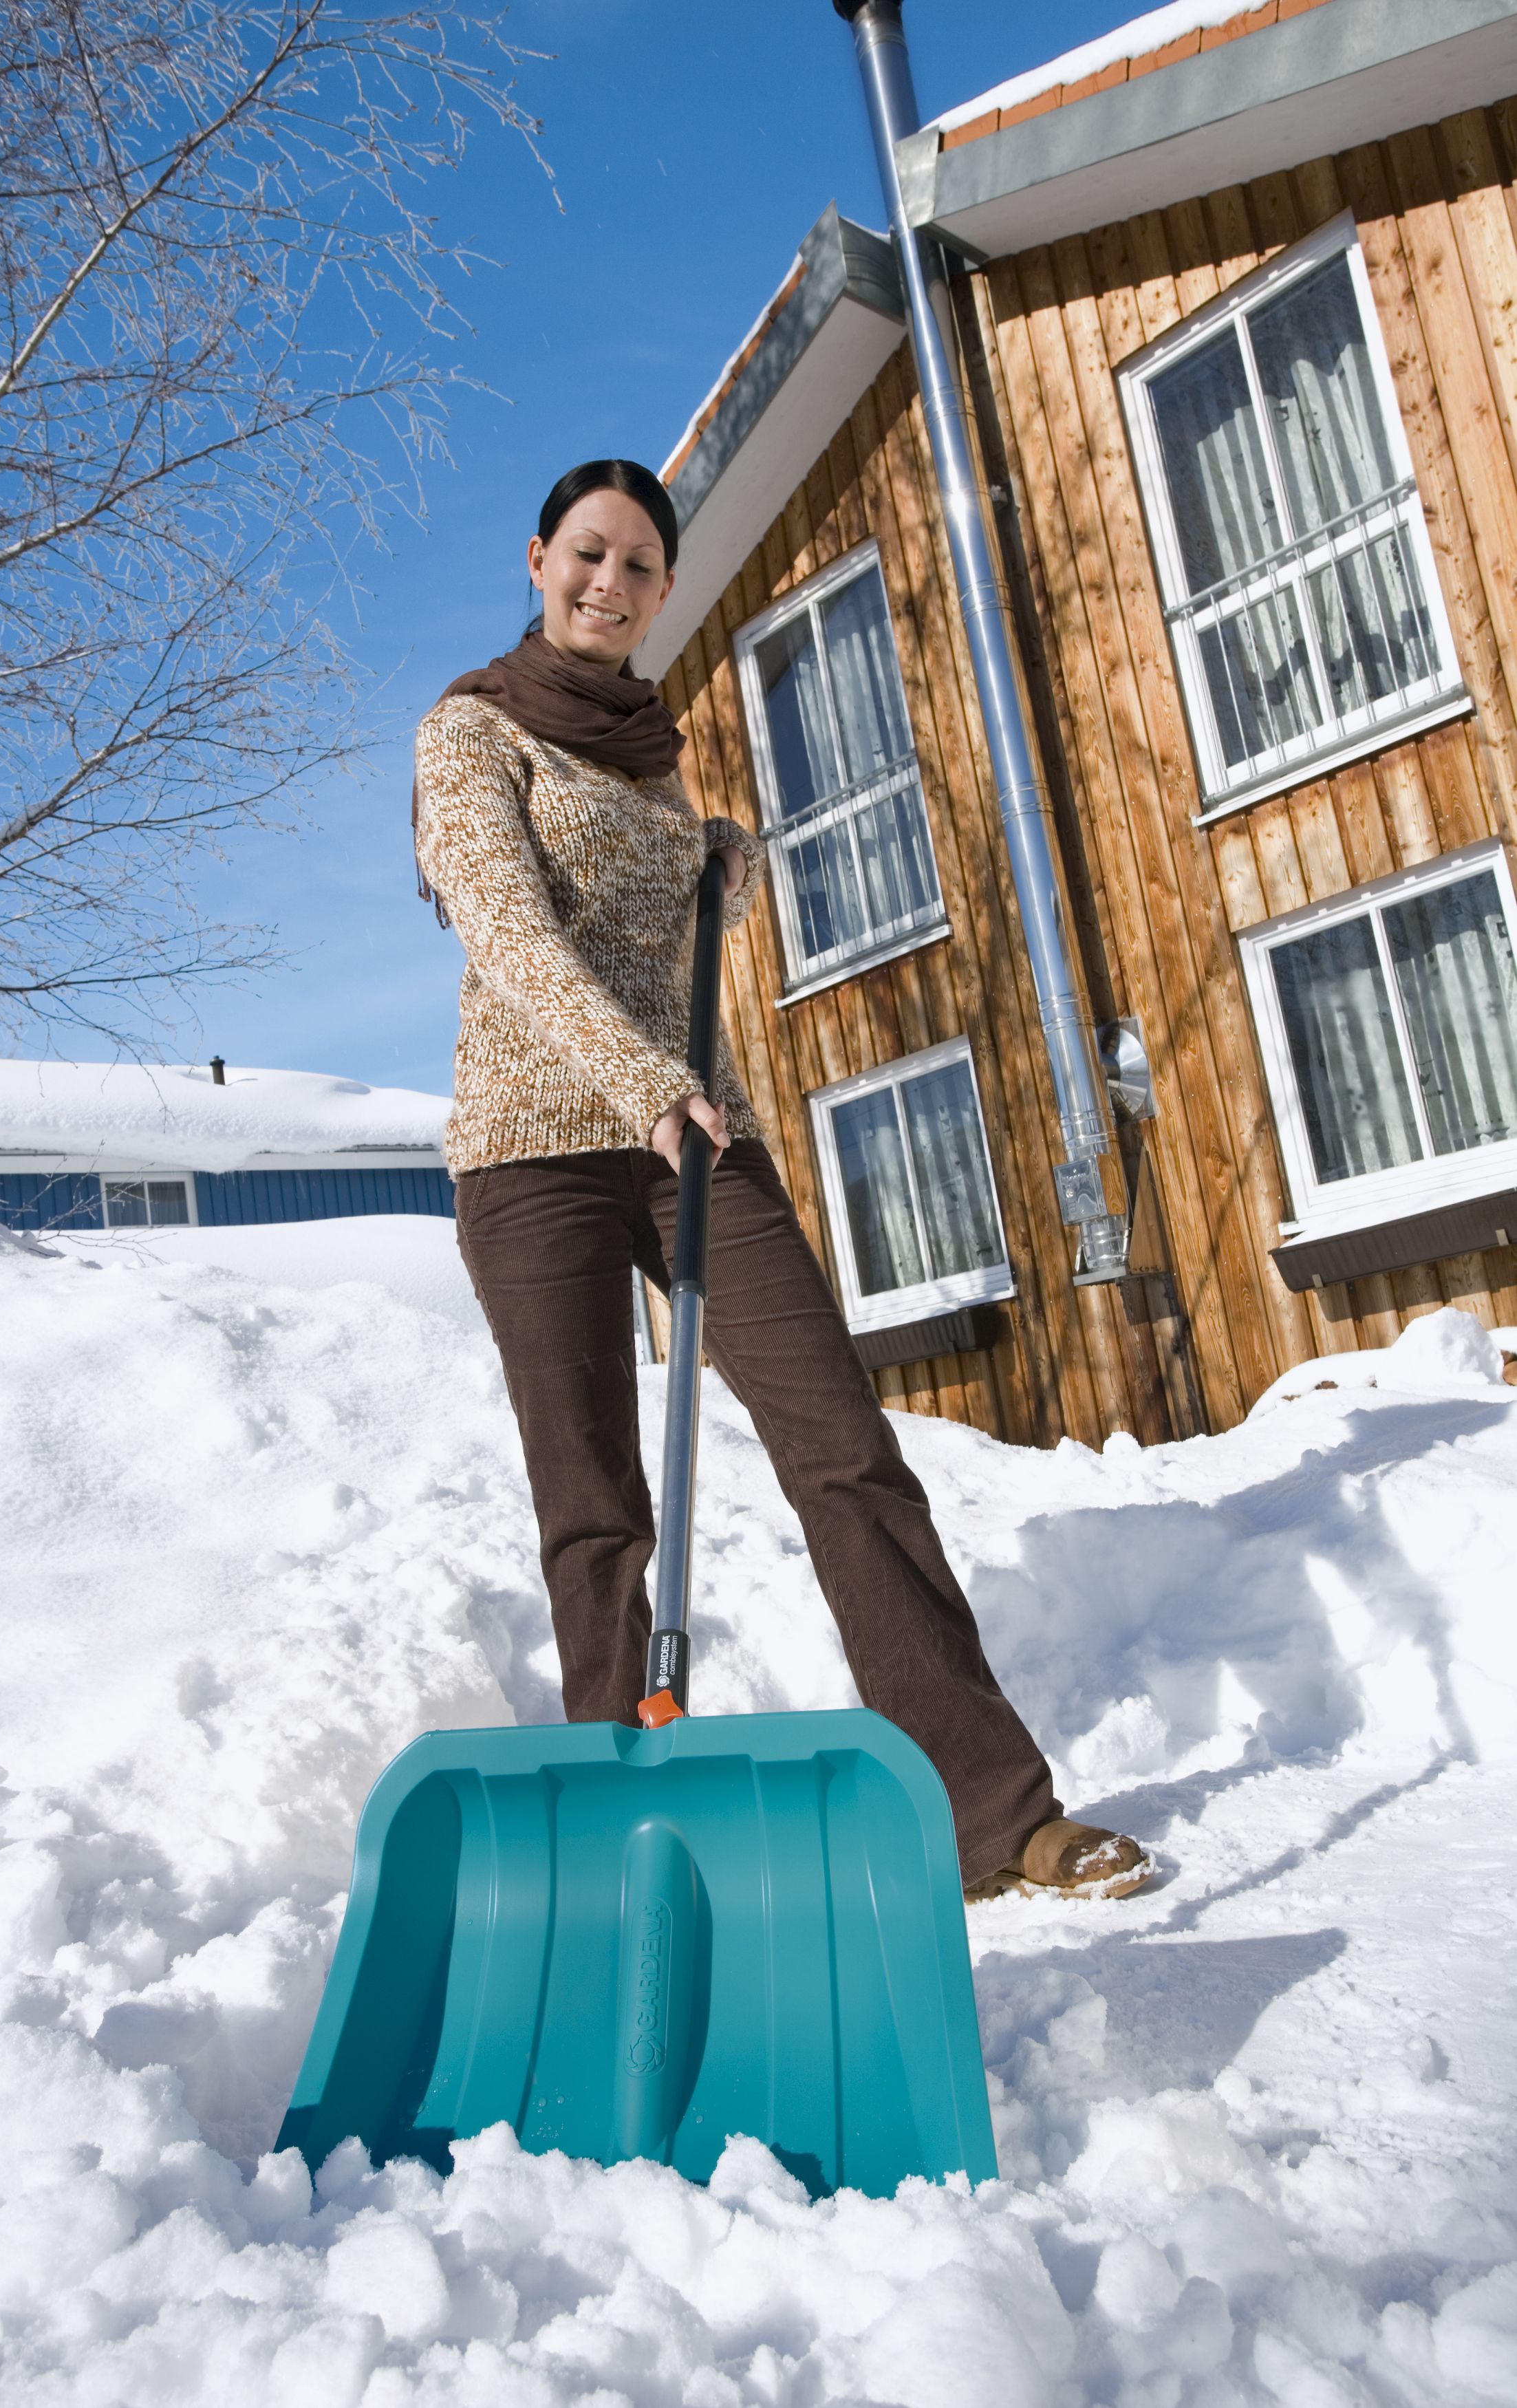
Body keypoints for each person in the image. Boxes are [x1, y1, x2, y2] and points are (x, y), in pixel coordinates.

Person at [413, 457, 1152, 1903]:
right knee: (597, 1504)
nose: (607, 585)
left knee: (842, 1445)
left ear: (663, 591)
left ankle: (995, 1817)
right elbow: (512, 934)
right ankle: (620, 1842)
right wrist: (642, 1086)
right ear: (537, 556)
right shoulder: (469, 730)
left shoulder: (654, 752)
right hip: (534, 1151)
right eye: (586, 554)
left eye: (637, 567)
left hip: (693, 1132)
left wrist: (723, 873)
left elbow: (659, 931)